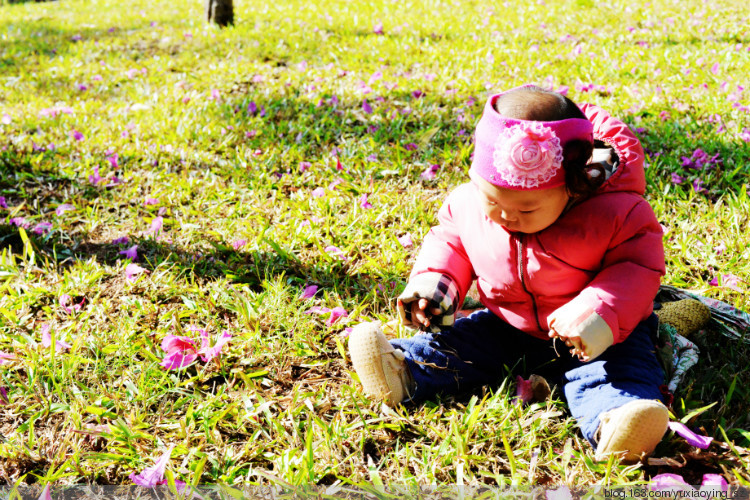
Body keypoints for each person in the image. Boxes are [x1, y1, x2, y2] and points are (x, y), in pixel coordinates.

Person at [349, 84, 670, 463]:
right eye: (492, 200)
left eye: (527, 208)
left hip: (598, 336)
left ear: (573, 188)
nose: (506, 216)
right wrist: (433, 289)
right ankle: (405, 371)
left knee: (615, 372)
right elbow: (451, 243)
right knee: (460, 344)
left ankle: (615, 421)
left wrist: (596, 310)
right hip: (507, 322)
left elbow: (637, 268)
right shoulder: (468, 204)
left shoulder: (617, 213)